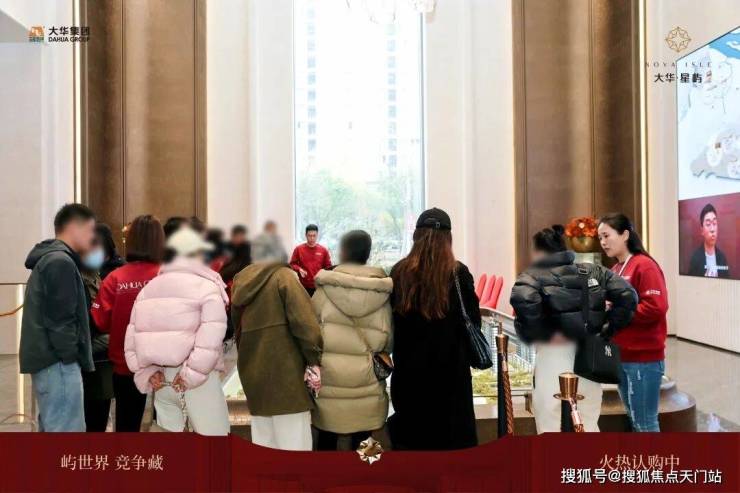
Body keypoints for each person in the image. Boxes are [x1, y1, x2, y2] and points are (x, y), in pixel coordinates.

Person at [510, 225, 637, 433]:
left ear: (539, 253)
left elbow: (523, 300)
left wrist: (536, 332)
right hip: (589, 361)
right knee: (588, 422)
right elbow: (628, 296)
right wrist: (607, 328)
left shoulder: (532, 276)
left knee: (551, 424)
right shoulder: (593, 271)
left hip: (552, 360)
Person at [386, 208, 479, 450]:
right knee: (452, 452)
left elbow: (389, 323)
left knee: (413, 450)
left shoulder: (399, 272)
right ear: (448, 238)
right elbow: (474, 322)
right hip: (451, 379)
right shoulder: (458, 274)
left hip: (409, 377)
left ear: (416, 236)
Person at [124, 228, 230, 435]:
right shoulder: (207, 288)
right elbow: (211, 338)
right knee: (215, 444)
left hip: (162, 381)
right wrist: (191, 374)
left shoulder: (148, 290)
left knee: (170, 446)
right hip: (198, 381)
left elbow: (132, 340)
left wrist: (147, 372)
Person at [231, 243, 323, 450]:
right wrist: (314, 361)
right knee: (295, 446)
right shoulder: (285, 277)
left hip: (254, 376)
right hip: (287, 378)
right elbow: (306, 326)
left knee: (264, 447)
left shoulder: (240, 283)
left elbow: (238, 331)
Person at [311, 230, 393, 450]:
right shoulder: (381, 293)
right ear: (367, 253)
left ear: (343, 252)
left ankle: (325, 473)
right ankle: (368, 470)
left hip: (330, 385)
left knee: (326, 443)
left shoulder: (324, 290)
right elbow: (388, 342)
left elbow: (311, 336)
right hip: (368, 386)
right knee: (366, 444)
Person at [19, 204, 96, 432]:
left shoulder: (51, 258)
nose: (92, 238)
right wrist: (70, 356)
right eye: (90, 231)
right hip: (58, 363)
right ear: (74, 228)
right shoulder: (60, 262)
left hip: (51, 362)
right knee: (66, 432)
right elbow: (60, 320)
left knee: (54, 428)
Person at [92, 215, 165, 432]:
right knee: (169, 424)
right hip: (167, 366)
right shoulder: (168, 275)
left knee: (126, 427)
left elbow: (100, 321)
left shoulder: (115, 279)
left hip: (125, 365)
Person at [598, 213, 669, 432]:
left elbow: (656, 307)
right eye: (600, 238)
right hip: (622, 356)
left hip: (643, 359)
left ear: (625, 235)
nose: (603, 242)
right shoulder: (615, 270)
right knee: (635, 420)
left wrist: (618, 311)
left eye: (607, 236)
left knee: (645, 423)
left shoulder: (644, 266)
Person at [80, 225, 116, 432]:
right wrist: (116, 338)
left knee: (99, 417)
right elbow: (86, 329)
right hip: (90, 359)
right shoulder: (79, 279)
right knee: (92, 420)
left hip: (101, 360)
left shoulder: (95, 275)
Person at [688, 204, 730, 278]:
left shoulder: (722, 258)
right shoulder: (695, 259)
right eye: (708, 224)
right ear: (702, 230)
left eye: (714, 223)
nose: (712, 229)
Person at [290, 224, 332, 296]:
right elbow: (292, 264)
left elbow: (328, 268)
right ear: (306, 235)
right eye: (309, 236)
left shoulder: (323, 250)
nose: (312, 238)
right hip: (303, 286)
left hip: (318, 286)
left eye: (314, 236)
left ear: (317, 235)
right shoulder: (298, 249)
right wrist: (299, 269)